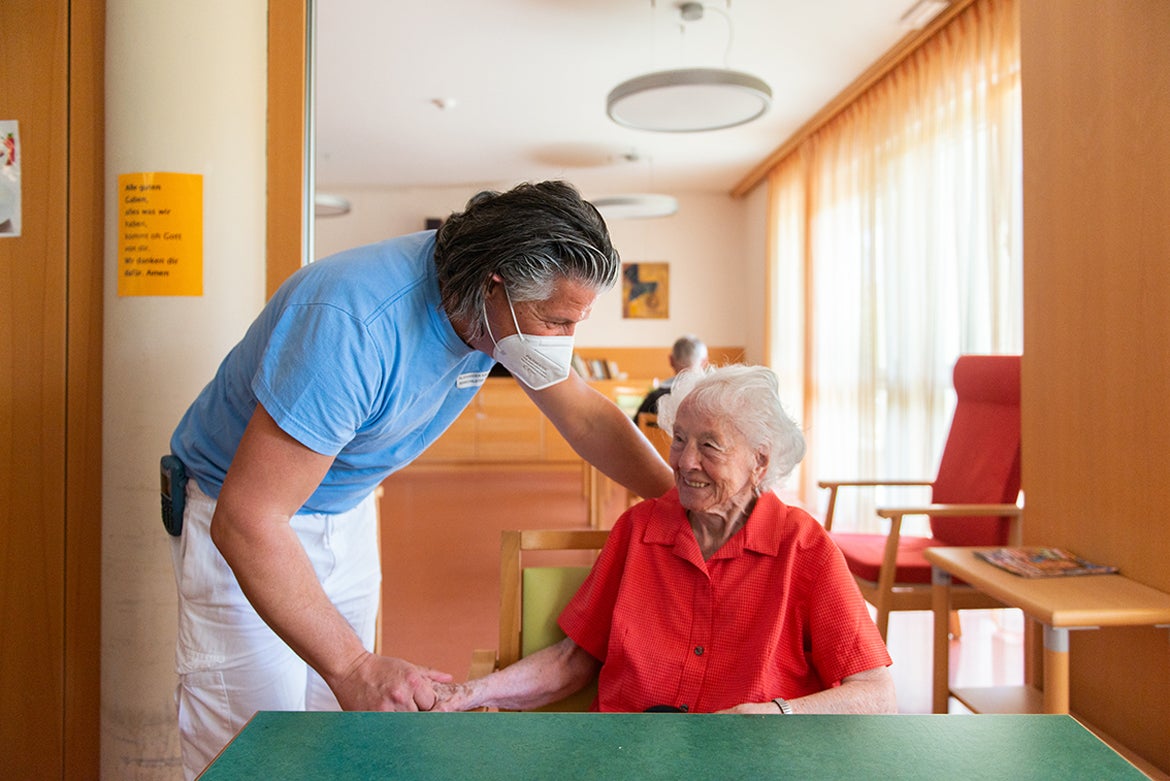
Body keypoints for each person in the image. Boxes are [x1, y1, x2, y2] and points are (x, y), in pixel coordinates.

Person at [166, 180, 674, 776]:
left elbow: (586, 415)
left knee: (331, 727)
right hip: (246, 516)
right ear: (495, 285)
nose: (564, 342)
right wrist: (355, 666)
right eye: (557, 321)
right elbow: (248, 520)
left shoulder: (495, 309)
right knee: (255, 747)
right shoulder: (352, 323)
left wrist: (684, 499)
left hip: (343, 505)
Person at [432, 364, 895, 715]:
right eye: (678, 439)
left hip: (748, 763)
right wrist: (467, 693)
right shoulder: (638, 530)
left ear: (760, 460)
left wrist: (777, 713)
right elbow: (575, 660)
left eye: (709, 445)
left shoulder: (803, 546)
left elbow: (876, 692)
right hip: (628, 759)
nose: (684, 461)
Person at [633, 334, 708, 419]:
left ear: (671, 360)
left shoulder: (654, 399)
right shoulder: (708, 398)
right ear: (704, 362)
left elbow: (636, 426)